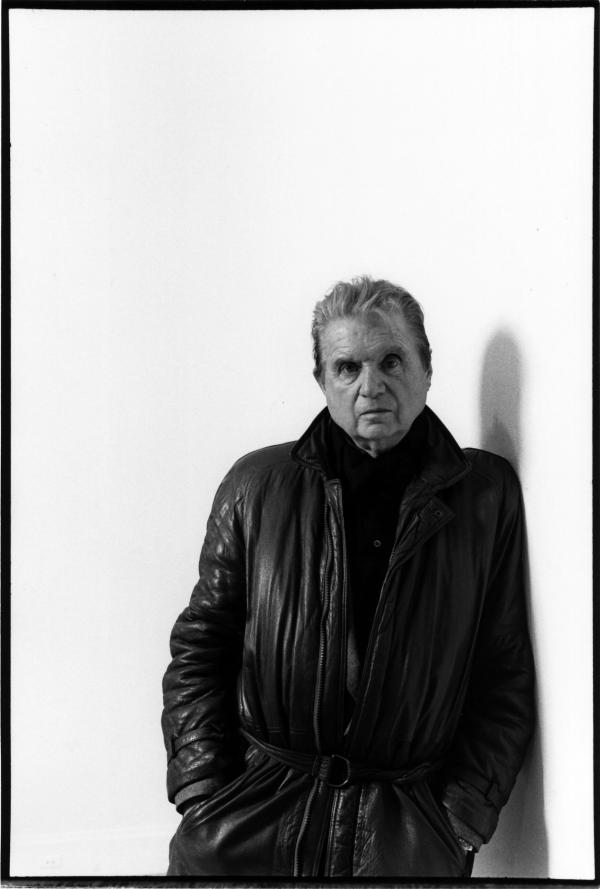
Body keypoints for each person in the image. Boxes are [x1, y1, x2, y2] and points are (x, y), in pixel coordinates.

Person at [161, 276, 535, 878]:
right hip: (249, 819)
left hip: (404, 835)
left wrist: (462, 818)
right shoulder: (257, 487)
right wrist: (202, 790)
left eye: (391, 360)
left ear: (426, 368)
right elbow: (200, 645)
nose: (371, 386)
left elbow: (505, 672)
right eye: (347, 367)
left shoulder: (484, 498)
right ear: (322, 381)